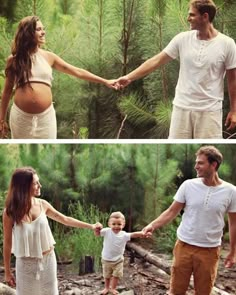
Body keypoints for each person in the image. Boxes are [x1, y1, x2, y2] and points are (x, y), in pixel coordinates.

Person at [115, 0, 236, 139]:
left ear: (205, 16)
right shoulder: (182, 39)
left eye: (192, 15)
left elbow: (233, 79)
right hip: (181, 108)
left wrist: (234, 110)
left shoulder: (227, 44)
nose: (187, 18)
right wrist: (129, 77)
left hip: (210, 111)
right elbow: (155, 61)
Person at [0, 15, 117, 139]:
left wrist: (105, 81)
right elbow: (7, 92)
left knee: (48, 151)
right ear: (28, 33)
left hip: (45, 118)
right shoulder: (14, 60)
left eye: (43, 29)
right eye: (38, 29)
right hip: (20, 118)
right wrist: (1, 119)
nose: (43, 32)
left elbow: (77, 71)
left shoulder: (49, 57)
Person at [142, 145, 236, 295]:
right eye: (196, 162)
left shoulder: (231, 191)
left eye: (200, 163)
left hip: (209, 250)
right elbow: (172, 211)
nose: (196, 166)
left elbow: (234, 223)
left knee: (204, 292)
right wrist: (152, 225)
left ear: (214, 165)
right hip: (184, 246)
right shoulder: (188, 185)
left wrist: (232, 252)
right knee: (176, 291)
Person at [2, 166, 102, 295]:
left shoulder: (42, 204)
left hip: (48, 260)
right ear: (24, 186)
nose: (40, 185)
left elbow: (65, 219)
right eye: (35, 183)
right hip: (25, 265)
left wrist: (91, 226)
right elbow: (7, 243)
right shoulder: (9, 212)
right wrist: (7, 272)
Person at [97, 211, 151, 295]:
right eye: (113, 224)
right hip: (106, 259)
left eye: (119, 224)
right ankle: (106, 288)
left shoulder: (124, 235)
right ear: (109, 224)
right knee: (107, 275)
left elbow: (133, 234)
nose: (116, 226)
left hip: (118, 260)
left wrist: (142, 233)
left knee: (116, 275)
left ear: (123, 224)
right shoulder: (106, 231)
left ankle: (113, 288)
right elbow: (97, 233)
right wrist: (97, 227)